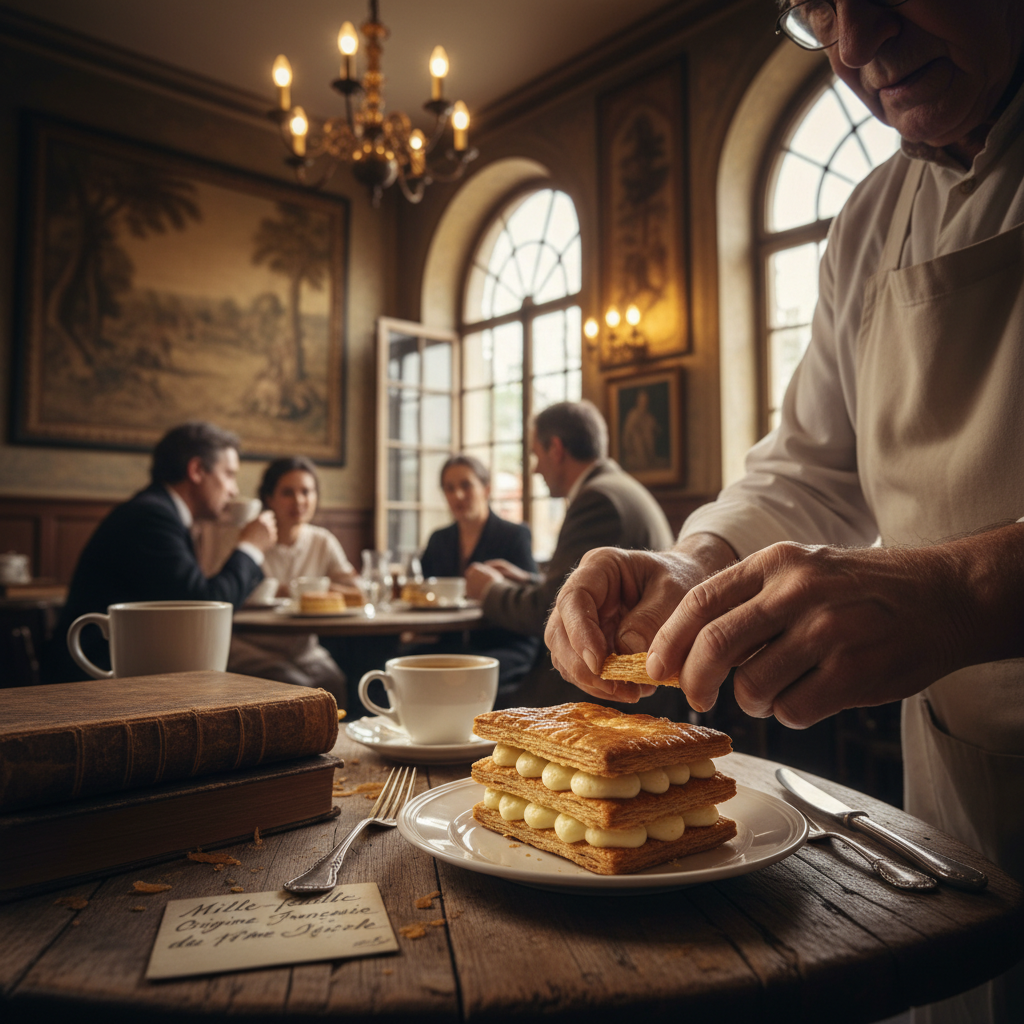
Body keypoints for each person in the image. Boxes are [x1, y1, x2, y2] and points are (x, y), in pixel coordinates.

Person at [546, 3, 1024, 1021]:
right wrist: (690, 566)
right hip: (958, 783)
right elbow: (809, 467)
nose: (854, 45)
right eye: (817, 8)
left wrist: (963, 588)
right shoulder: (872, 217)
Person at [466, 400, 674, 707]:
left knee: (478, 696)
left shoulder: (598, 501)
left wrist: (489, 591)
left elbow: (554, 612)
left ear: (556, 449)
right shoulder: (617, 487)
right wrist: (527, 580)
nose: (535, 469)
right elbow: (577, 590)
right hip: (634, 679)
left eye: (536, 455)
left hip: (613, 693)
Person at [43, 421, 276, 682]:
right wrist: (250, 548)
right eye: (230, 474)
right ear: (197, 470)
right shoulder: (151, 517)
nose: (234, 490)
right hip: (94, 674)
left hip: (128, 665)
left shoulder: (159, 512)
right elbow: (201, 608)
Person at [227, 456, 360, 701]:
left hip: (302, 647)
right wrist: (287, 590)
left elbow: (354, 590)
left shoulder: (322, 540)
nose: (299, 501)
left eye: (306, 491)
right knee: (295, 686)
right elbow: (224, 591)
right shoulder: (248, 537)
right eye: (288, 492)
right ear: (269, 498)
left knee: (334, 684)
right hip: (250, 645)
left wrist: (327, 588)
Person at [414, 454, 540, 695]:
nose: (457, 495)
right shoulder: (439, 539)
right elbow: (421, 591)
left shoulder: (514, 535)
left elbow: (532, 595)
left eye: (466, 485)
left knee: (454, 678)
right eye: (449, 488)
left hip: (504, 641)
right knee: (393, 668)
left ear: (486, 489)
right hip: (451, 643)